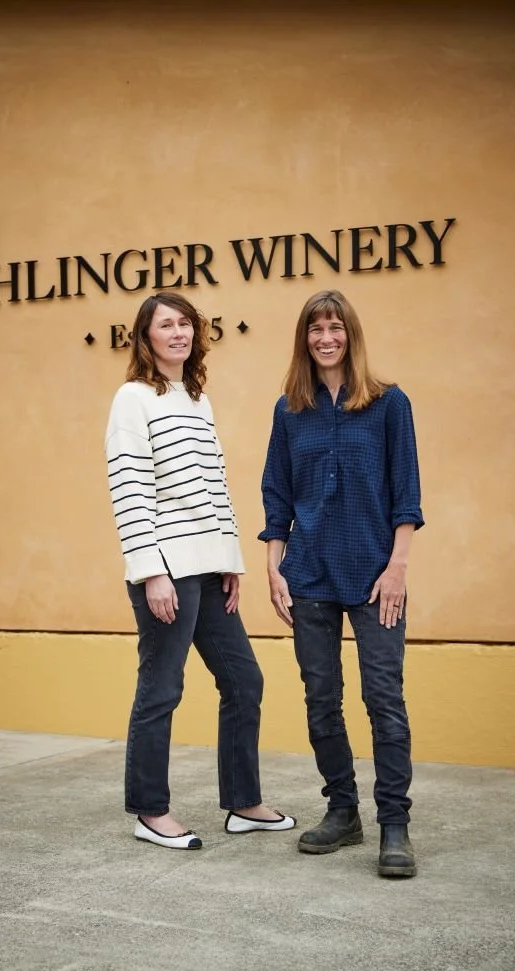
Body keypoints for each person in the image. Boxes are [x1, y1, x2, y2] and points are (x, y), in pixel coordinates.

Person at [105, 291, 295, 850]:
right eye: (166, 325)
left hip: (210, 569)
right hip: (166, 569)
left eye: (185, 323)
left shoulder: (195, 399)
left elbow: (215, 485)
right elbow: (130, 488)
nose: (178, 333)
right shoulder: (132, 399)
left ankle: (243, 803)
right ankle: (149, 812)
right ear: (146, 338)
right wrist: (151, 571)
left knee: (243, 680)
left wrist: (229, 560)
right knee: (162, 688)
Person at [259, 289, 424, 877]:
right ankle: (342, 810)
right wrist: (274, 565)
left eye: (335, 328)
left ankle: (394, 824)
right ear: (304, 340)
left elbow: (406, 491)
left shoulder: (388, 403)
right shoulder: (290, 410)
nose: (326, 338)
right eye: (315, 329)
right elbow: (277, 492)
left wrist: (398, 566)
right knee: (320, 698)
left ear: (350, 334)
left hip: (376, 575)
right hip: (309, 574)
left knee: (384, 698)